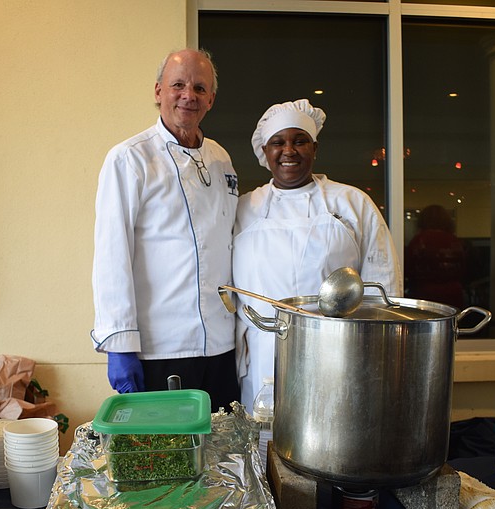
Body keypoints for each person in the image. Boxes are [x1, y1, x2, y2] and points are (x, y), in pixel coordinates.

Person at [91, 49, 240, 411]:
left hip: (221, 345)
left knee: (222, 453)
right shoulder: (130, 158)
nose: (189, 95)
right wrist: (120, 344)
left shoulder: (221, 158)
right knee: (168, 461)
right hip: (161, 348)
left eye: (199, 88)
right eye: (178, 85)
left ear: (211, 99)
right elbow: (112, 255)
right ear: (158, 91)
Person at [233, 99, 401, 410]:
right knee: (264, 445)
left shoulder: (352, 203)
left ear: (315, 148)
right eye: (278, 142)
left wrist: (377, 352)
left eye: (300, 141)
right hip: (264, 355)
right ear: (264, 151)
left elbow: (383, 283)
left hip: (338, 352)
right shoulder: (244, 208)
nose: (289, 151)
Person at [405, 204, 468, 308]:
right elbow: (464, 267)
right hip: (453, 293)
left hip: (424, 294)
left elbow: (408, 267)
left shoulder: (419, 240)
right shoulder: (455, 241)